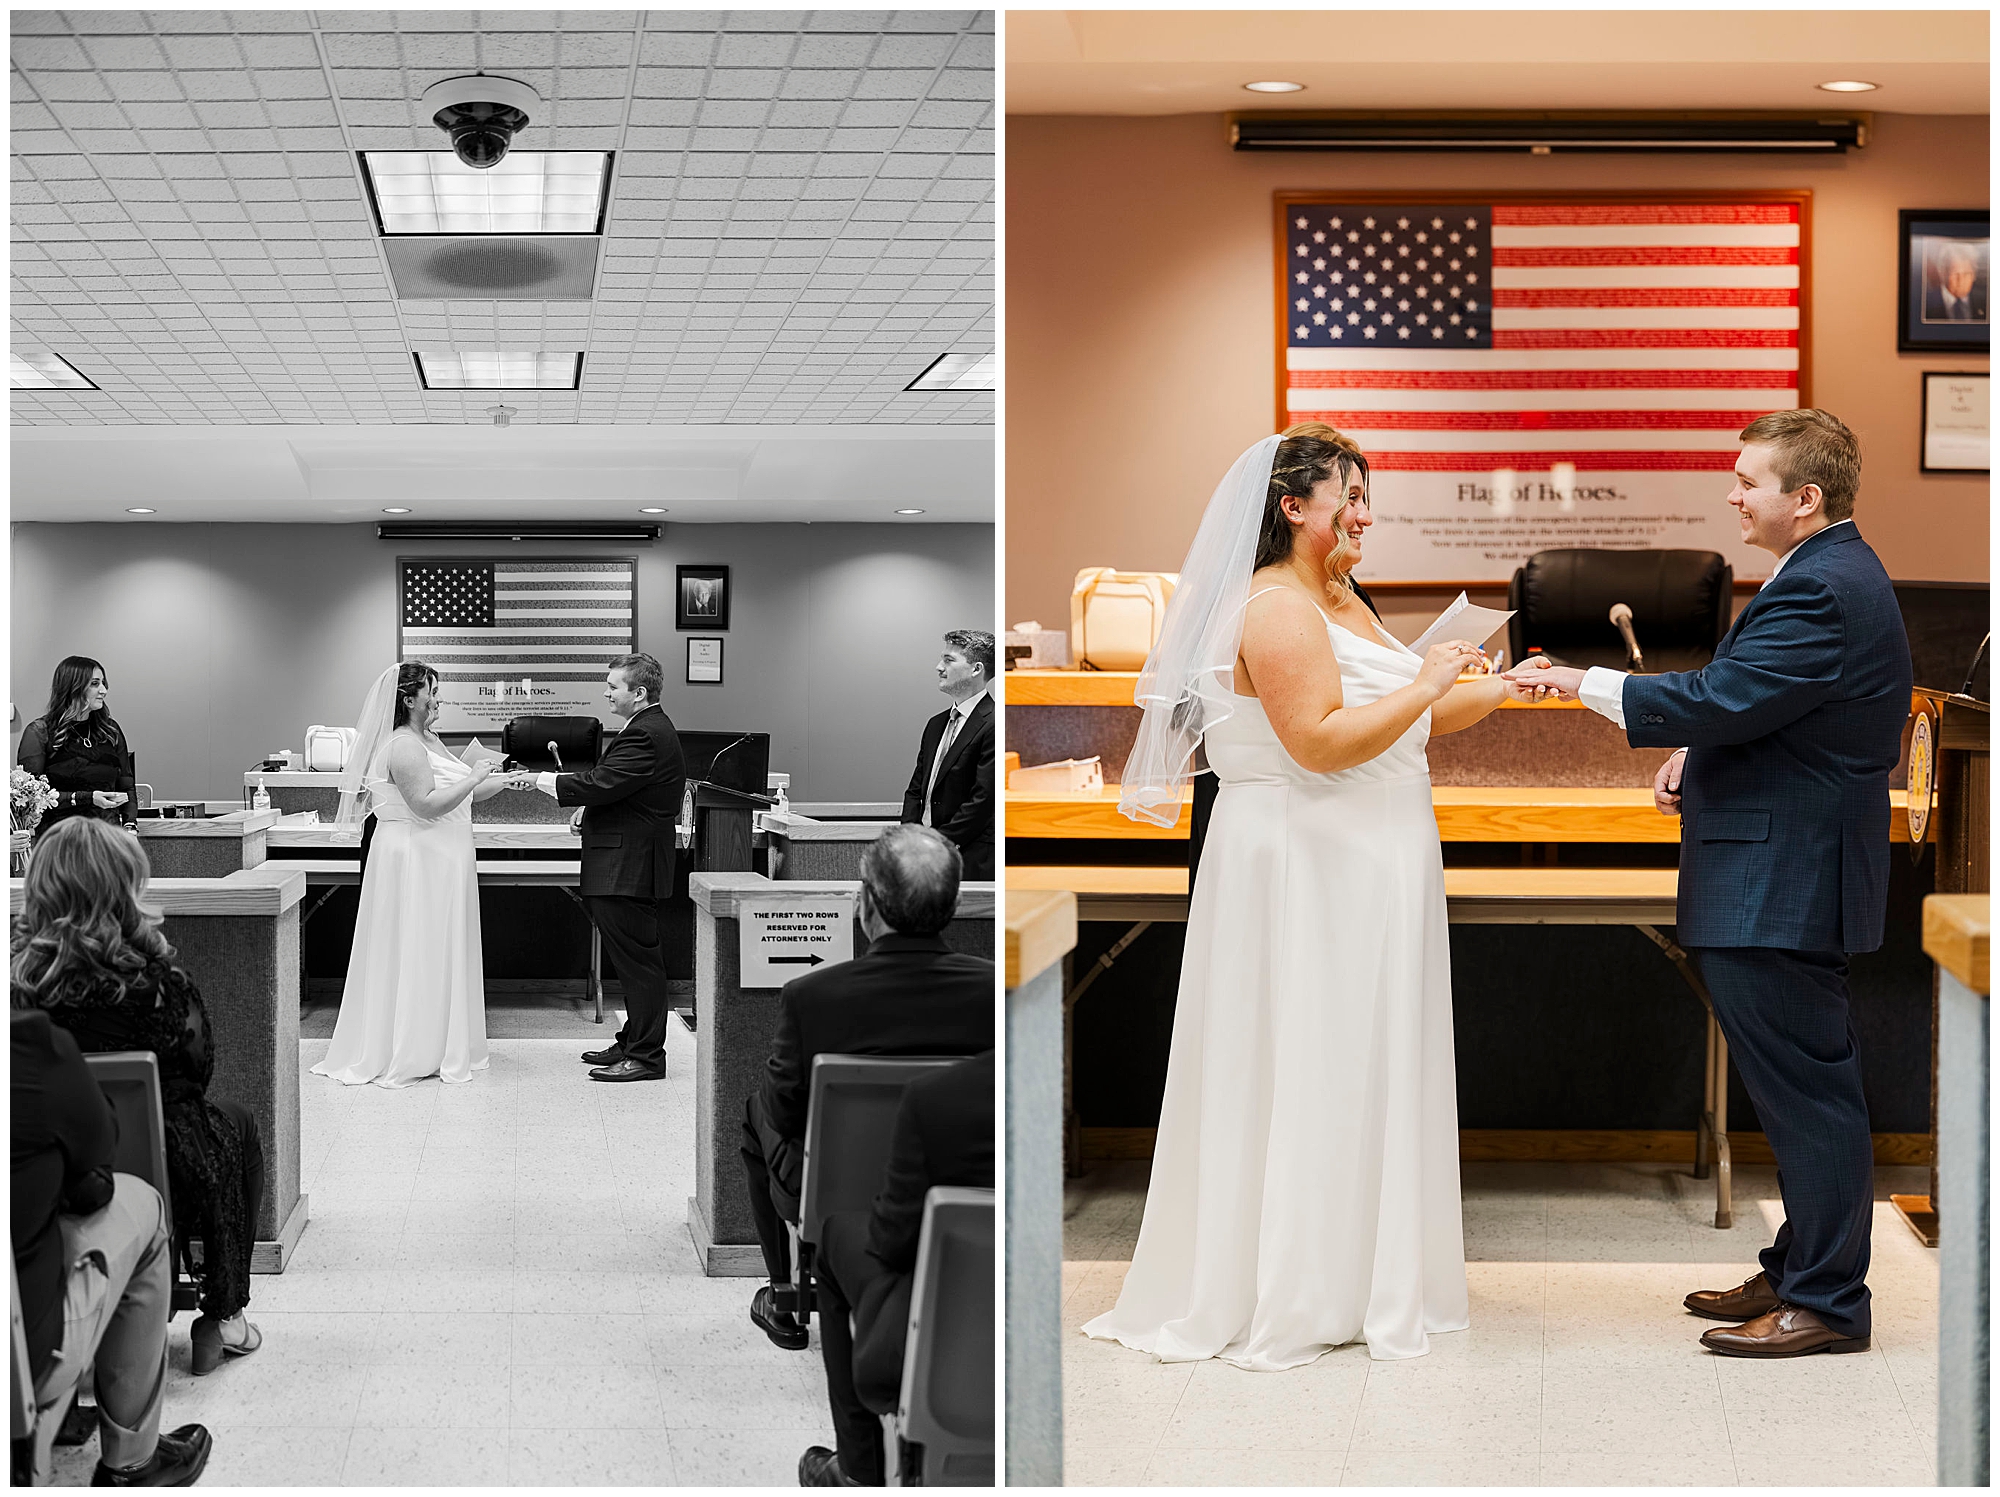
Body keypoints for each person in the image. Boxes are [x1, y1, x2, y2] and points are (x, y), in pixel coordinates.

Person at [1082, 422, 1554, 1371]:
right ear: (1293, 507)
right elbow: (1322, 740)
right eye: (1349, 497)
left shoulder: (1340, 594)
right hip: (1308, 857)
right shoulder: (1276, 609)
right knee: (1306, 1056)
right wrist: (1425, 679)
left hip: (1374, 852)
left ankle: (1358, 1272)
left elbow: (1411, 717)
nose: (1365, 514)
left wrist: (1494, 689)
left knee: (1361, 1057)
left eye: (1366, 495)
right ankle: (1293, 1283)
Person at [1505, 408, 1911, 1358]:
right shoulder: (1822, 572)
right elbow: (1770, 708)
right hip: (1780, 866)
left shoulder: (1823, 587)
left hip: (1784, 877)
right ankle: (1799, 1266)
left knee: (1808, 1095)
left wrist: (1578, 683)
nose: (1732, 494)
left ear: (1804, 499)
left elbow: (1725, 695)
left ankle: (1828, 1302)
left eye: (1748, 480)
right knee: (1799, 1090)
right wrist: (1694, 750)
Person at [11, 814, 267, 1381]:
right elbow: (198, 1076)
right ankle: (224, 1314)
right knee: (238, 1124)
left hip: (54, 1168)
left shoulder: (21, 989)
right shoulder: (158, 985)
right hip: (163, 1165)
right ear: (123, 890)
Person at [739, 825, 992, 1353]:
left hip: (829, 1192)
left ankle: (784, 1293)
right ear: (951, 906)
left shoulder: (813, 996)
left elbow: (784, 1116)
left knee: (755, 1112)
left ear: (866, 905)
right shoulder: (997, 991)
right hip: (959, 1184)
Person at [12, 1008, 212, 1485]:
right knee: (142, 1203)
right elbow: (101, 1144)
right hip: (21, 1354)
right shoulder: (27, 1046)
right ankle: (132, 1459)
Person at [313, 661, 516, 1089]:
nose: (439, 697)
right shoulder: (402, 745)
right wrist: (475, 774)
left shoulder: (430, 739)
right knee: (415, 945)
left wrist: (500, 781)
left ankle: (440, 1041)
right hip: (415, 858)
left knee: (438, 946)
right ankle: (410, 1048)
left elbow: (464, 793)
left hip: (443, 856)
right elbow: (425, 804)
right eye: (433, 690)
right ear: (409, 699)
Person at [799, 1049, 994, 1488]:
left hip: (946, 1334)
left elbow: (892, 1243)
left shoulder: (940, 1098)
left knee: (834, 1240)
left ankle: (858, 1468)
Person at [529, 653, 687, 1083]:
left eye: (613, 686)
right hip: (625, 863)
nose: (606, 692)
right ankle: (634, 1039)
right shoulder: (645, 728)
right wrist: (588, 807)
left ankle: (647, 1057)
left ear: (639, 693)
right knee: (631, 961)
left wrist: (538, 780)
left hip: (627, 867)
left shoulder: (646, 734)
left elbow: (602, 782)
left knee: (639, 965)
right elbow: (620, 789)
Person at [899, 630, 996, 880]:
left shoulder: (995, 723)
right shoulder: (935, 724)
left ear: (976, 669)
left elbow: (983, 800)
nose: (938, 667)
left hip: (970, 857)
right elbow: (916, 789)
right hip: (922, 859)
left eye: (949, 660)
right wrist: (911, 839)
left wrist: (938, 844)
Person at [16, 656, 139, 838]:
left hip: (107, 839)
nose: (104, 690)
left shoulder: (110, 731)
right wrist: (87, 797)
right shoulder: (40, 732)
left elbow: (126, 785)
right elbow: (32, 797)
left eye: (103, 683)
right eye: (95, 684)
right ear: (73, 687)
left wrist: (130, 827)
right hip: (60, 839)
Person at [1923, 240, 1987, 323]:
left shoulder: (1986, 301)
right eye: (1956, 274)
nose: (1961, 281)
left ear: (1974, 275)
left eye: (1967, 274)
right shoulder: (1926, 304)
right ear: (1943, 273)